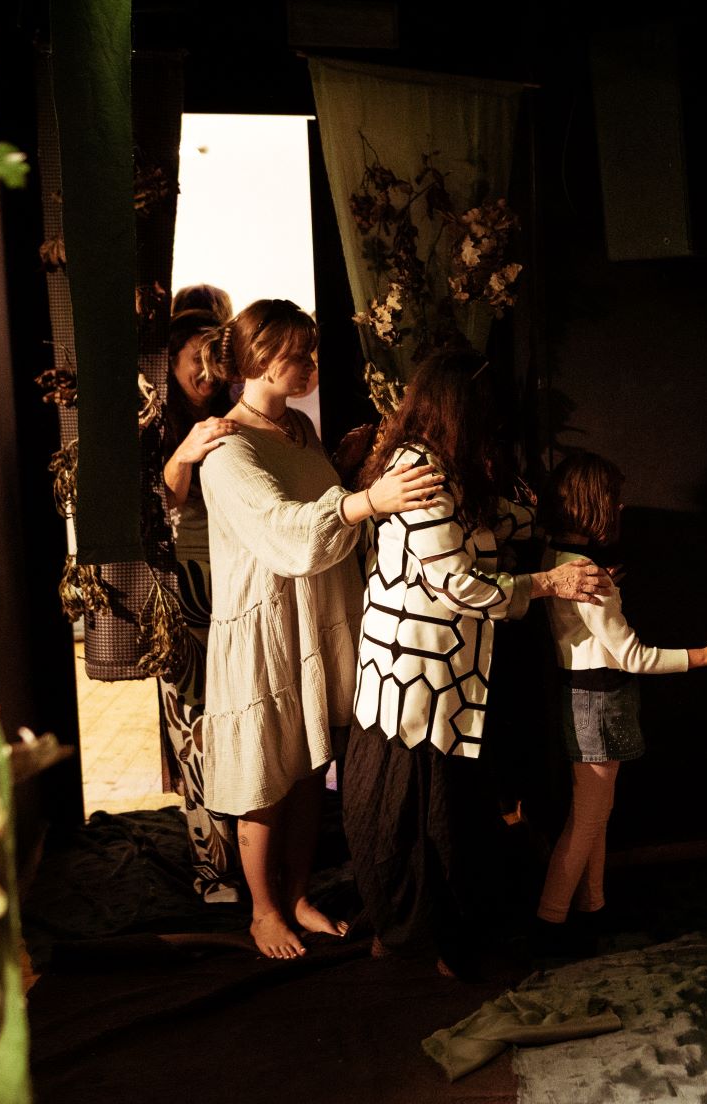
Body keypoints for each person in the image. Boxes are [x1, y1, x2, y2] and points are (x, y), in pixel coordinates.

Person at [341, 349, 609, 975]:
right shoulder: (422, 472)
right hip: (418, 680)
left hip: (439, 679)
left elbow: (487, 525)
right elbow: (455, 583)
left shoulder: (446, 467)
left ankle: (431, 933)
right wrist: (549, 582)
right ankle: (424, 937)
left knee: (440, 817)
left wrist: (544, 522)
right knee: (421, 820)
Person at [197, 299, 442, 958]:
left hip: (313, 617)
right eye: (297, 354)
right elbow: (284, 532)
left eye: (310, 352)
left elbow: (317, 510)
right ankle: (263, 911)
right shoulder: (226, 448)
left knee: (310, 766)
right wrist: (368, 501)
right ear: (258, 359)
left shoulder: (298, 429)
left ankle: (299, 894)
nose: (309, 365)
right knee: (265, 775)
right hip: (267, 627)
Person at [533, 452, 707, 946]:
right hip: (599, 699)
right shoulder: (586, 574)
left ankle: (593, 908)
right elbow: (633, 656)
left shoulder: (557, 558)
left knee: (595, 814)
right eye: (613, 497)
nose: (620, 506)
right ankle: (550, 924)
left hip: (584, 694)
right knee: (588, 818)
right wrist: (705, 656)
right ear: (592, 502)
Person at [155, 306, 243, 900]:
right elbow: (160, 507)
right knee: (193, 727)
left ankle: (249, 858)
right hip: (185, 586)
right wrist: (185, 453)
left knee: (237, 723)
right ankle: (214, 870)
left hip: (236, 580)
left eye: (217, 361)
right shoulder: (156, 421)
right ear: (171, 360)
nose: (207, 374)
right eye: (196, 360)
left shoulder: (236, 414)